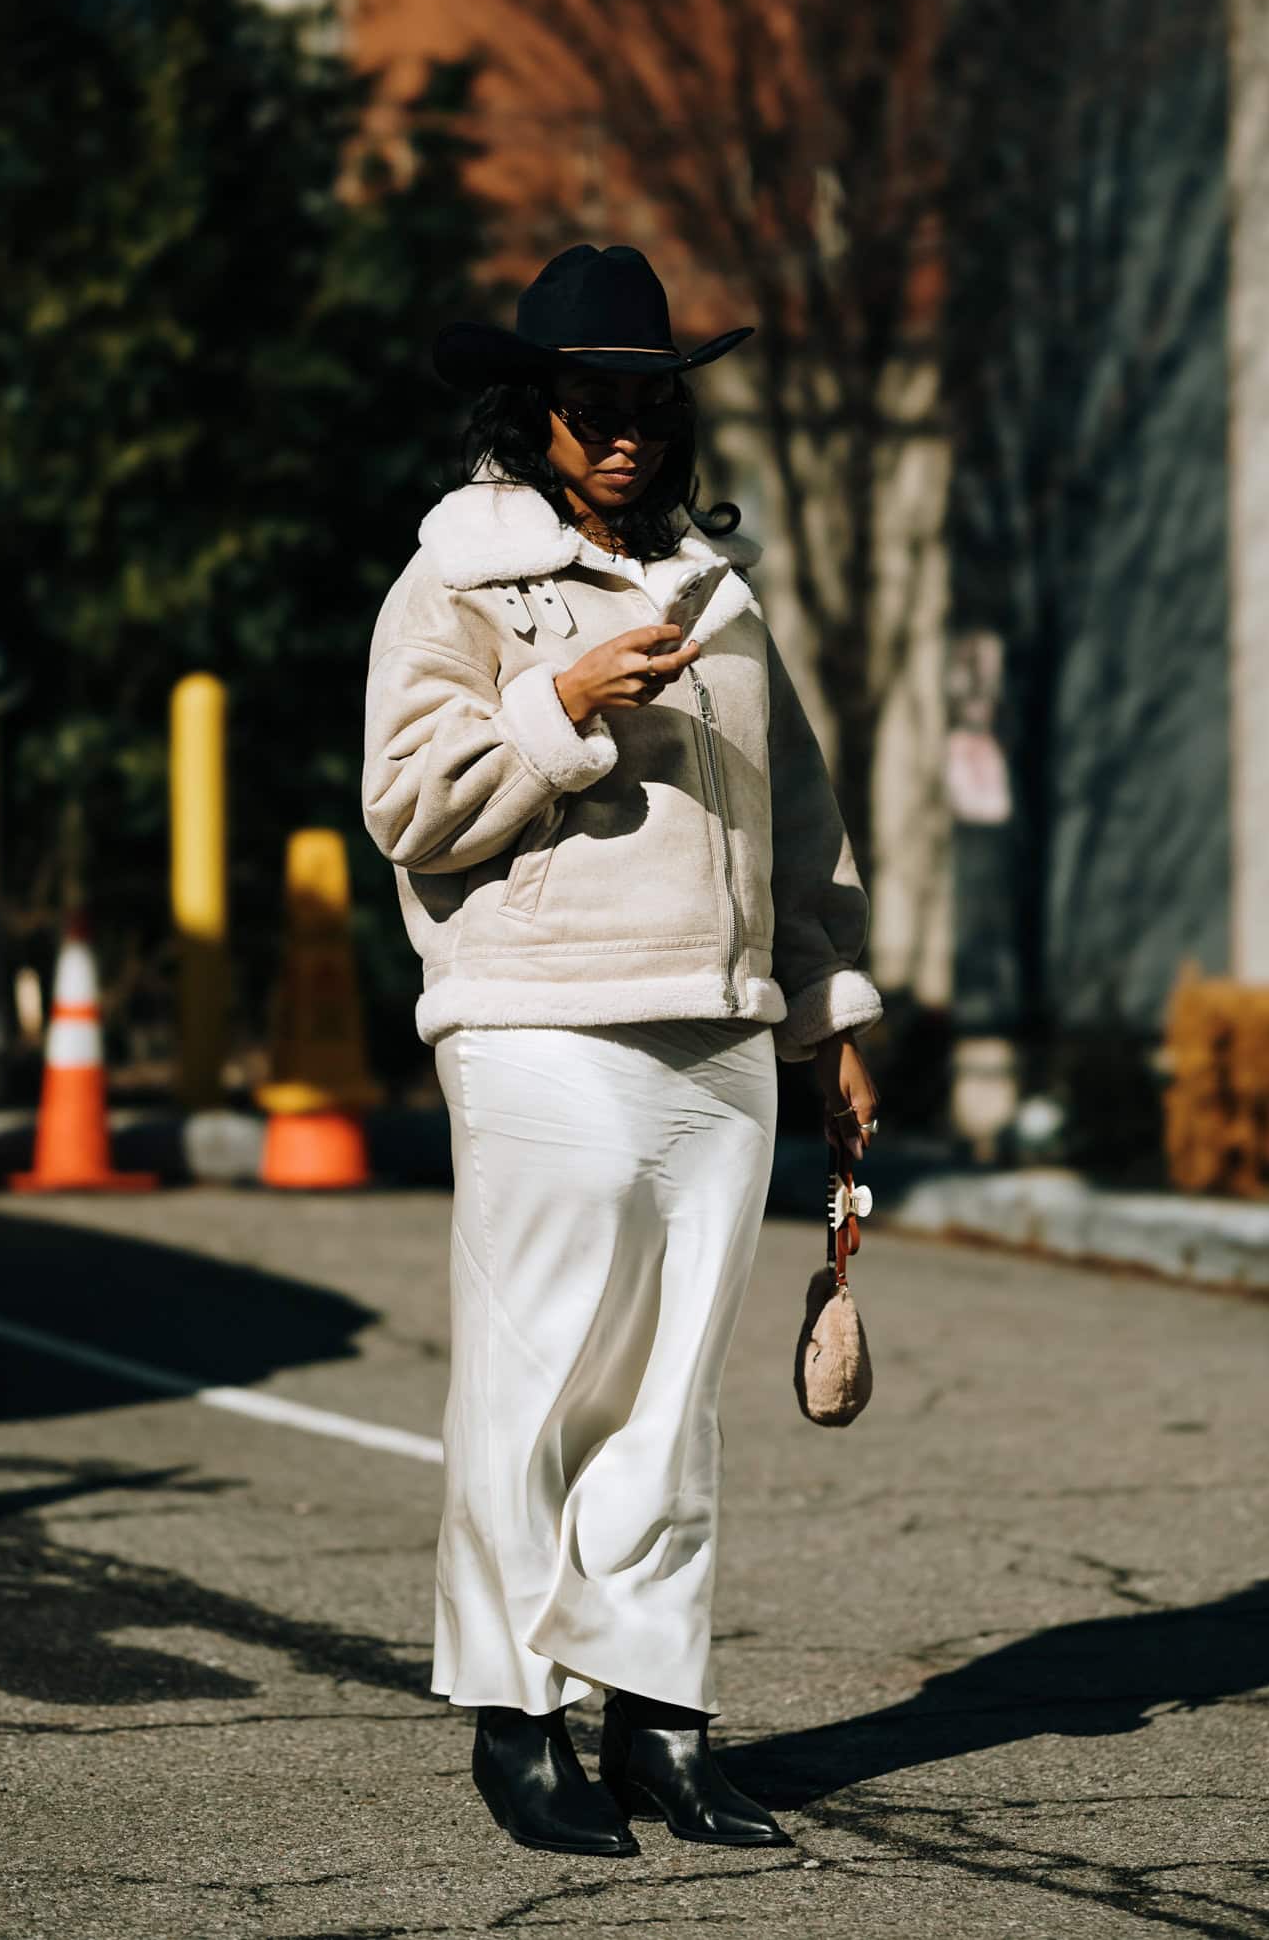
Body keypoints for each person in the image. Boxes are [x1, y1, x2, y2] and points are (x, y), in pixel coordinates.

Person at [362, 243, 883, 1858]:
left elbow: (799, 826)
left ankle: (658, 1721)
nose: (624, 433)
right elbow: (406, 803)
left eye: (648, 404)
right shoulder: (459, 578)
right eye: (590, 406)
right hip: (539, 1021)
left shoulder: (723, 593)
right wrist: (562, 701)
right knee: (535, 1387)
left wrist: (831, 1016)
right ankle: (517, 1723)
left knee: (670, 1406)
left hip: (716, 1031)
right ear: (533, 411)